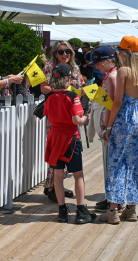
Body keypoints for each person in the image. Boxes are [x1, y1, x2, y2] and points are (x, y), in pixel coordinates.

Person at [99, 36, 138, 223]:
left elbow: (117, 102)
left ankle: (113, 211)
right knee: (137, 163)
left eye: (120, 51)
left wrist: (108, 127)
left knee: (118, 161)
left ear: (125, 53)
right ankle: (131, 210)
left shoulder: (124, 71)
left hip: (125, 117)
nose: (119, 54)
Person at [43, 63, 95, 224]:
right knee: (78, 175)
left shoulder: (49, 97)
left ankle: (62, 212)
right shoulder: (73, 97)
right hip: (70, 139)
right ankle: (80, 211)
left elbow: (48, 116)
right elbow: (76, 120)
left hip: (54, 138)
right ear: (68, 79)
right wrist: (86, 118)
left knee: (58, 176)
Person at [41, 40, 86, 201]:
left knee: (68, 151)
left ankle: (53, 185)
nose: (65, 54)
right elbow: (44, 87)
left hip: (72, 113)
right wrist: (60, 93)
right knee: (57, 152)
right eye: (61, 52)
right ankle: (52, 185)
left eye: (67, 51)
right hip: (57, 114)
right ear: (55, 53)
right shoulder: (49, 68)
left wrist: (74, 94)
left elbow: (80, 88)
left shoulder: (75, 68)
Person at [84, 47, 122, 213]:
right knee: (107, 163)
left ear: (107, 61)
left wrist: (108, 127)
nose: (96, 67)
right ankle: (110, 198)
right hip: (106, 125)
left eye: (98, 63)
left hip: (109, 127)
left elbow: (112, 104)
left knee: (111, 163)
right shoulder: (110, 75)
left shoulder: (113, 76)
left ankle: (114, 200)